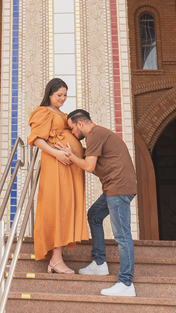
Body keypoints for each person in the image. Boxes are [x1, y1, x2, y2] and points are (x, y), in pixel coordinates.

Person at [62, 109, 138, 297]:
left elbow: (89, 166)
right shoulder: (98, 135)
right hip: (116, 187)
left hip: (118, 188)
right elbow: (91, 158)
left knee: (122, 235)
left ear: (80, 124)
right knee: (94, 215)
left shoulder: (94, 134)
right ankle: (99, 263)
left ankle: (126, 283)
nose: (72, 133)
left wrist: (71, 156)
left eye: (72, 128)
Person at [27, 78, 88, 274]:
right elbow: (36, 139)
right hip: (55, 164)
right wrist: (57, 154)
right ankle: (55, 258)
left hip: (70, 166)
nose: (62, 99)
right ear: (50, 94)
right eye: (59, 95)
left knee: (67, 206)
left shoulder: (64, 114)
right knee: (56, 205)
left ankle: (57, 257)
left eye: (65, 95)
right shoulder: (43, 112)